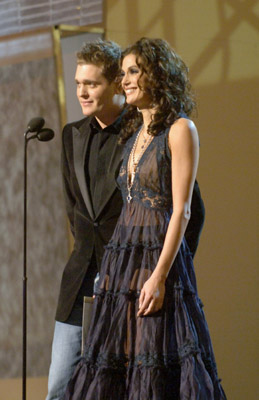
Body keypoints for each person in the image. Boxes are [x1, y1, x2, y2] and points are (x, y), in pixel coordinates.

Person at [63, 37, 226, 400]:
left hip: (156, 261)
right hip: (122, 264)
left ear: (157, 73)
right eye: (122, 74)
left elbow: (183, 210)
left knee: (153, 365)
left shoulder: (180, 130)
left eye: (133, 71)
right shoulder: (134, 134)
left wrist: (160, 275)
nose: (125, 81)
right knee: (117, 368)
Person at [46, 40, 125, 400]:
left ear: (116, 84)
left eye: (91, 84)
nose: (82, 92)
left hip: (127, 281)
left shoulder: (143, 133)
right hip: (79, 282)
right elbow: (74, 208)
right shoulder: (72, 135)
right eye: (78, 83)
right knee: (59, 390)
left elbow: (192, 211)